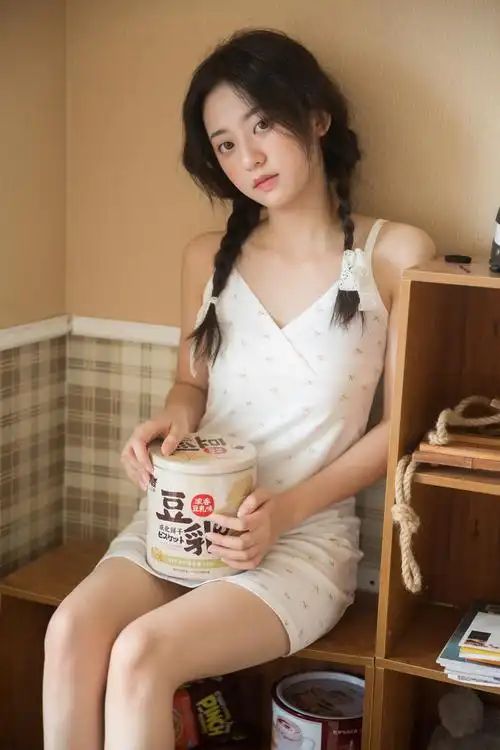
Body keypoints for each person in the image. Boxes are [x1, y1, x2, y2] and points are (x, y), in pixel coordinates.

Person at [42, 27, 436, 750]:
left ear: (317, 117)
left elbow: (401, 428)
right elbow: (188, 385)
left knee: (140, 654)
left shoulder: (395, 255)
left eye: (263, 125)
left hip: (302, 539)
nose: (248, 157)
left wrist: (284, 512)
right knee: (70, 629)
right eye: (225, 144)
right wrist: (168, 421)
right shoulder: (207, 258)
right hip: (183, 520)